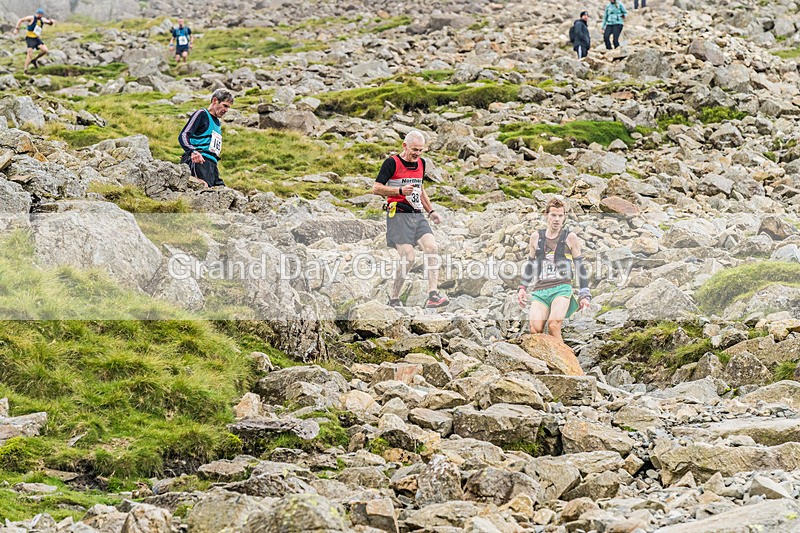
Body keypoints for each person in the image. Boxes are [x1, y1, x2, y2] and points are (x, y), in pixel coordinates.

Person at [372, 130, 449, 309]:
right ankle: (394, 298)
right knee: (409, 258)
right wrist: (399, 191)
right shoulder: (392, 163)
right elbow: (376, 188)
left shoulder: (421, 163)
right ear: (404, 146)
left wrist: (431, 211)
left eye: (420, 150)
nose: (417, 153)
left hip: (417, 214)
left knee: (432, 248)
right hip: (397, 214)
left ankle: (433, 296)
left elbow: (420, 189)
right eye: (414, 149)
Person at [517, 198, 591, 342]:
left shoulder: (570, 238)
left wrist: (584, 294)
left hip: (562, 288)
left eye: (560, 216)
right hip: (540, 290)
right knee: (535, 329)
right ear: (546, 215)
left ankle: (566, 363)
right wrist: (522, 288)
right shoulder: (536, 237)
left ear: (564, 217)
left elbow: (580, 266)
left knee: (553, 324)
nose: (556, 219)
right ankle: (543, 361)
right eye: (553, 215)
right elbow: (530, 264)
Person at [178, 89, 234, 188]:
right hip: (198, 163)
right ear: (215, 100)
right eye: (225, 106)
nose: (226, 110)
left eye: (228, 108)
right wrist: (192, 151)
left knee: (223, 193)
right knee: (203, 191)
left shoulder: (218, 123)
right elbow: (183, 135)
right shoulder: (202, 114)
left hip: (212, 166)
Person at [12, 9, 55, 74]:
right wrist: (17, 29)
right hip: (30, 38)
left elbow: (50, 23)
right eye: (38, 14)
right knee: (30, 54)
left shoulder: (42, 20)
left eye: (41, 14)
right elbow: (20, 20)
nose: (39, 15)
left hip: (37, 38)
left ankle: (34, 60)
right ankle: (25, 69)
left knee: (45, 50)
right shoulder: (31, 18)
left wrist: (51, 22)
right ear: (36, 13)